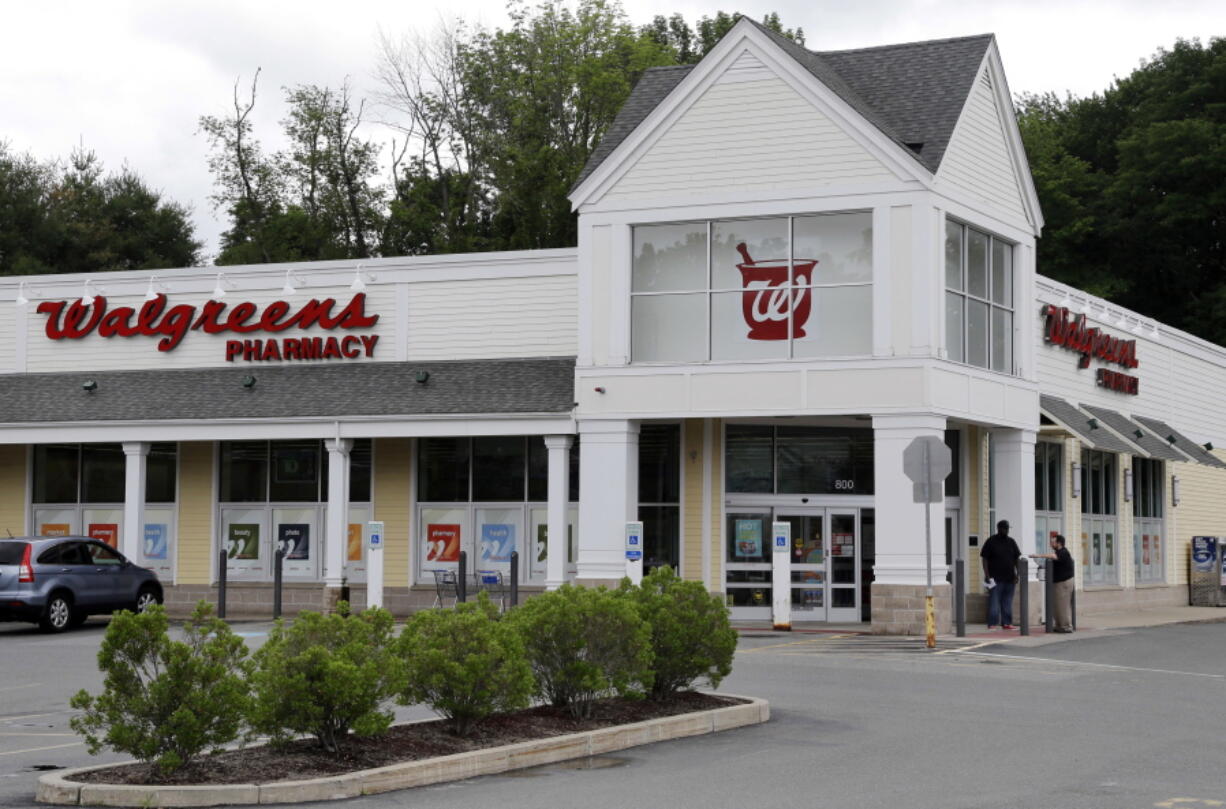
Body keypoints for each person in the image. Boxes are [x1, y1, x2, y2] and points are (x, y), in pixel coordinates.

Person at [980, 519, 1021, 629]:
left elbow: (1017, 559)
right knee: (994, 602)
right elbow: (984, 559)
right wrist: (987, 575)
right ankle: (992, 623)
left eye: (1008, 529)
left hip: (1010, 578)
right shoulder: (991, 541)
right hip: (995, 578)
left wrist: (1017, 574)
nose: (1007, 531)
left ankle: (1006, 622)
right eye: (1005, 528)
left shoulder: (1011, 542)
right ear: (999, 529)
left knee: (1007, 602)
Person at [1032, 534, 1075, 633]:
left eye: (1053, 542)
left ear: (1059, 543)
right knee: (1057, 605)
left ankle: (1067, 626)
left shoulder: (1063, 552)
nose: (1051, 543)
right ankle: (1059, 625)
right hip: (1057, 582)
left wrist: (1038, 555)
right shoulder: (1058, 552)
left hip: (1064, 583)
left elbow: (1053, 556)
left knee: (1063, 605)